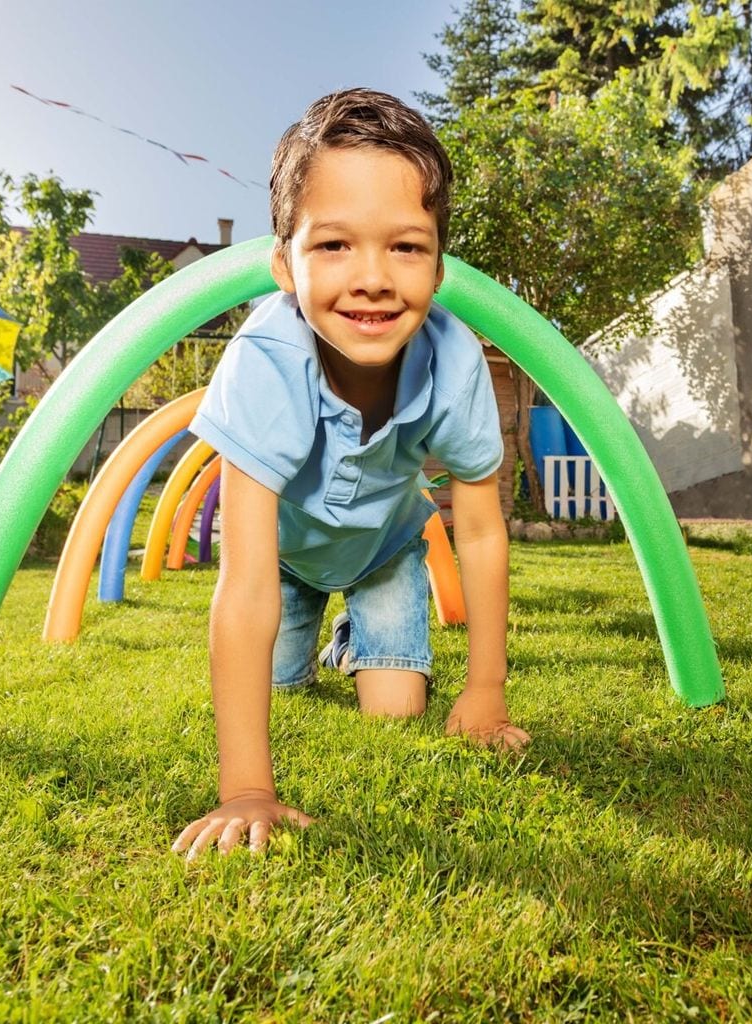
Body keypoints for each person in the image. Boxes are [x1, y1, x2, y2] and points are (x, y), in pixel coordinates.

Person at [173, 88, 530, 861]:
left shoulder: (455, 359)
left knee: (397, 709)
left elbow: (478, 526)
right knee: (273, 688)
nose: (372, 277)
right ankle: (318, 638)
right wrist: (246, 789)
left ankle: (358, 634)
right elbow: (243, 583)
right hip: (287, 564)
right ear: (284, 263)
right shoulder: (266, 362)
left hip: (385, 551)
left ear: (439, 264)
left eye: (405, 247)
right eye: (334, 245)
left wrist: (485, 690)